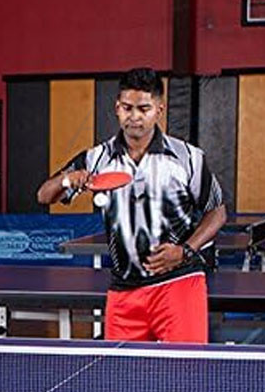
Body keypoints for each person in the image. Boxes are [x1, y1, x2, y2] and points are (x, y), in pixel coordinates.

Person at [36, 67, 227, 343]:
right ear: (117, 108)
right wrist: (68, 179)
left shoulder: (188, 158)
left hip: (178, 284)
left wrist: (185, 251)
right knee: (124, 371)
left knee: (186, 368)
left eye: (143, 108)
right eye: (127, 108)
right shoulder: (96, 159)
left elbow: (217, 212)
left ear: (159, 110)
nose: (134, 116)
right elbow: (44, 195)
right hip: (124, 290)